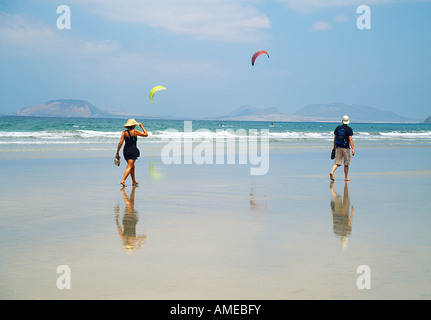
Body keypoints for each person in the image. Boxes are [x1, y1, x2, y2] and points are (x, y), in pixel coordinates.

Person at [116, 119, 148, 187]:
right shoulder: (135, 131)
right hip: (133, 150)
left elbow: (120, 143)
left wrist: (117, 152)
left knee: (132, 166)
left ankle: (134, 181)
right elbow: (146, 134)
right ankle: (123, 180)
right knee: (129, 166)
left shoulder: (124, 132)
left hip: (126, 151)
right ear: (133, 125)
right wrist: (142, 126)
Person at [330, 115, 355, 181]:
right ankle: (346, 177)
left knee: (337, 162)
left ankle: (332, 171)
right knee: (346, 163)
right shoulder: (349, 129)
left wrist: (334, 147)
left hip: (338, 147)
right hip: (345, 148)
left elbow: (335, 138)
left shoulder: (338, 128)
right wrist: (353, 149)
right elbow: (350, 140)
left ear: (342, 121)